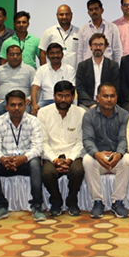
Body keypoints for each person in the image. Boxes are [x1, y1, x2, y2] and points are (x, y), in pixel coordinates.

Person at [0, 90, 46, 221]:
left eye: (20, 105)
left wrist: (24, 158)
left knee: (35, 163)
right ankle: (0, 206)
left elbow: (38, 148)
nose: (16, 108)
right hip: (6, 161)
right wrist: (2, 159)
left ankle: (37, 206)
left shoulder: (33, 121)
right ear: (6, 106)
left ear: (25, 105)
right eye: (12, 105)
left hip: (25, 161)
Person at [81, 83, 129, 219]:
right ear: (97, 98)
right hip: (98, 157)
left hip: (116, 156)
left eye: (112, 96)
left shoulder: (124, 115)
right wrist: (97, 154)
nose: (109, 99)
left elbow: (124, 139)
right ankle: (98, 201)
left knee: (127, 160)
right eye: (105, 96)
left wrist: (119, 154)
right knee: (87, 160)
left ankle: (118, 201)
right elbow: (88, 140)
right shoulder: (89, 115)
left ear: (116, 98)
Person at [37, 81, 86, 217]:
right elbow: (43, 142)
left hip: (73, 154)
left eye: (67, 96)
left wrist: (70, 159)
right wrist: (55, 160)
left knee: (78, 171)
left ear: (73, 97)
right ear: (54, 96)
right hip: (51, 154)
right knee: (47, 173)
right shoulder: (43, 113)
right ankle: (56, 201)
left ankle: (72, 201)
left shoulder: (81, 113)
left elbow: (81, 142)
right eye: (60, 96)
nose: (63, 100)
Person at [0, 45, 35, 118]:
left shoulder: (30, 70)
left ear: (21, 55)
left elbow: (35, 88)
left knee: (24, 115)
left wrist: (29, 98)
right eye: (12, 54)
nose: (15, 57)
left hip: (21, 102)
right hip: (1, 102)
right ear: (7, 56)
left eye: (17, 54)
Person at [76, 34, 120, 110]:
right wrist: (91, 104)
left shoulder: (113, 66)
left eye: (101, 44)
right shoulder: (83, 66)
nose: (98, 47)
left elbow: (116, 87)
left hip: (108, 103)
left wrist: (104, 103)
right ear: (90, 47)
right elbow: (80, 89)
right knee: (82, 112)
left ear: (105, 47)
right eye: (95, 44)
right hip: (87, 104)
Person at [31, 43, 75, 112]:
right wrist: (34, 105)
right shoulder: (41, 69)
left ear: (62, 55)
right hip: (46, 102)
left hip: (64, 101)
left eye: (58, 53)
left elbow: (73, 89)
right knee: (37, 111)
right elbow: (35, 88)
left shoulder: (70, 69)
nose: (55, 56)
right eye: (52, 53)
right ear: (47, 56)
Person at [78, 0, 123, 64]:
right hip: (88, 67)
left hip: (108, 66)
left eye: (96, 9)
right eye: (91, 10)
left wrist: (118, 67)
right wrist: (80, 68)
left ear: (102, 10)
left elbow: (117, 50)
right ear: (88, 13)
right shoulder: (83, 29)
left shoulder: (112, 28)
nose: (94, 11)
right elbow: (80, 52)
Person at [38, 4, 80, 70]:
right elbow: (43, 53)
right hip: (53, 72)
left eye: (67, 14)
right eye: (61, 14)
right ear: (57, 16)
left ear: (71, 15)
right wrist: (44, 71)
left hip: (74, 72)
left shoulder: (79, 32)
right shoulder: (49, 32)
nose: (64, 17)